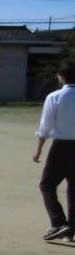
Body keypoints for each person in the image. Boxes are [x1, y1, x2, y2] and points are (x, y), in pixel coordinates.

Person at [34, 62, 75, 241]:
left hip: (61, 146)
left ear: (60, 77)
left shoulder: (55, 96)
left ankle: (58, 222)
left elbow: (45, 126)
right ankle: (70, 229)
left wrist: (39, 149)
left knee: (47, 185)